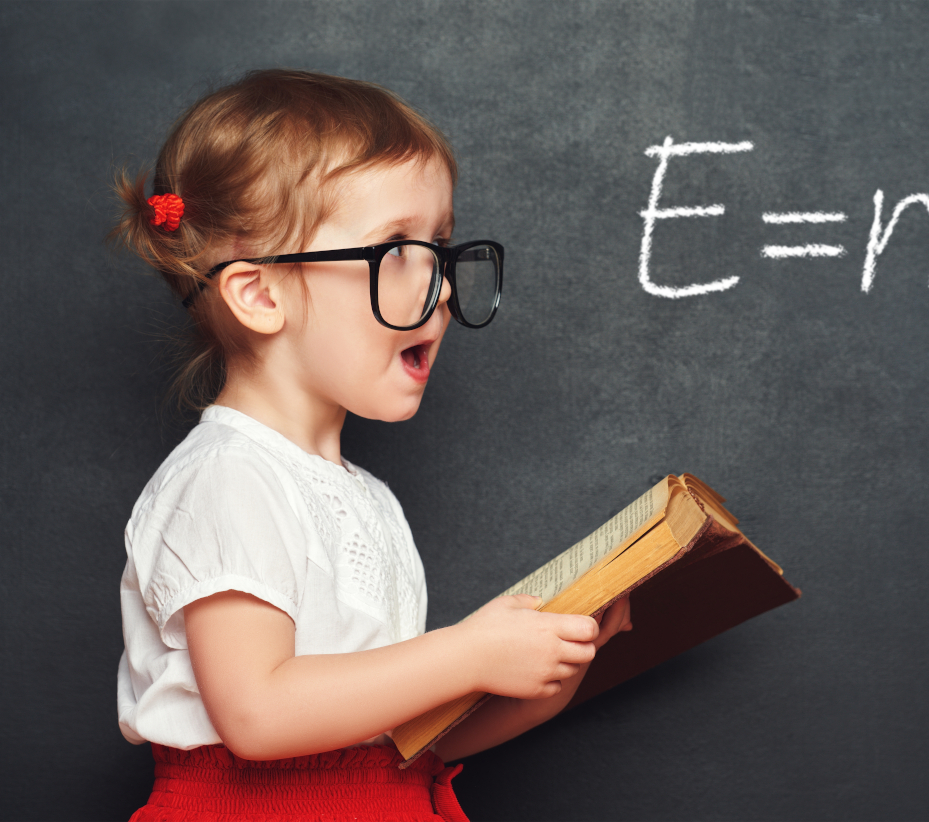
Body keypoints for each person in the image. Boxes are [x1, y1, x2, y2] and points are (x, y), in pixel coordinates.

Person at [112, 69, 631, 822]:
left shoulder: (368, 498)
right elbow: (257, 714)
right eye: (395, 250)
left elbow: (404, 739)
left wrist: (547, 672)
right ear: (261, 294)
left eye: (441, 247)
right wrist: (469, 652)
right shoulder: (227, 478)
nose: (443, 288)